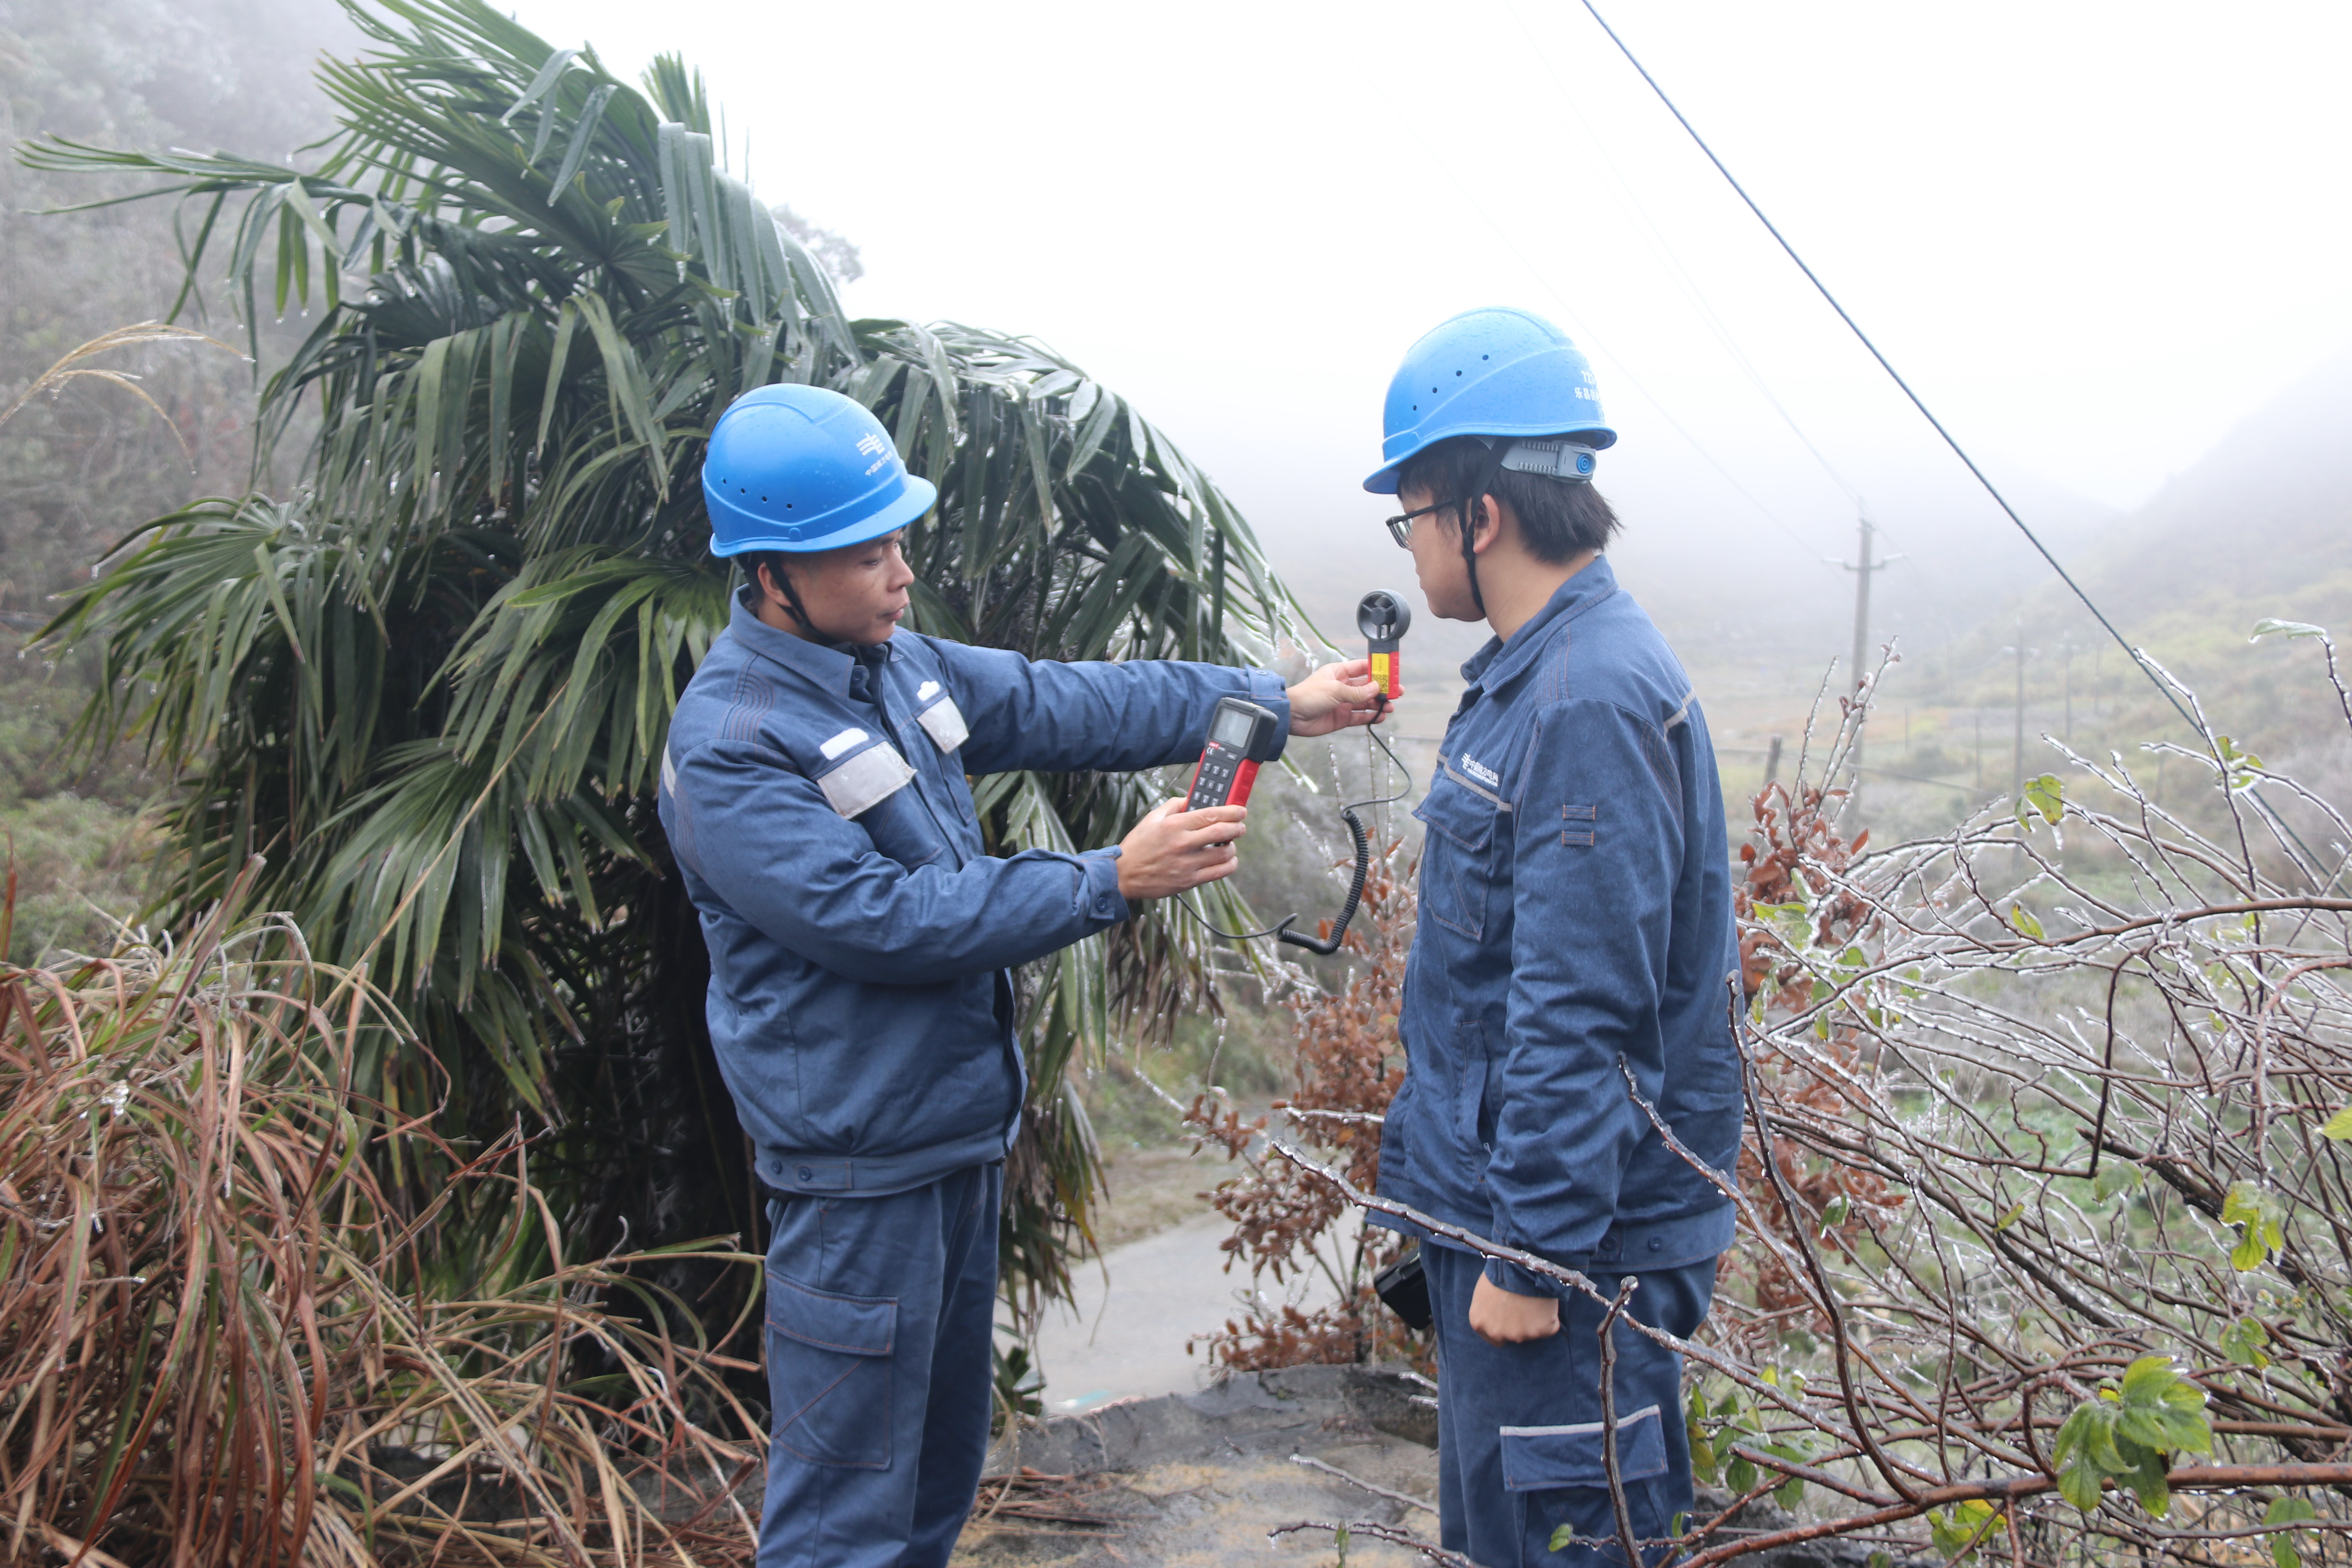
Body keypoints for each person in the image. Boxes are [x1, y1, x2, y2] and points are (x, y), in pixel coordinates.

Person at [655, 383, 1385, 1568]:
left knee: (935, 1486)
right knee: (845, 1520)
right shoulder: (735, 744)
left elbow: (1067, 701)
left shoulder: (894, 667)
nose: (902, 571)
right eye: (869, 551)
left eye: (902, 538)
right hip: (857, 1181)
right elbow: (881, 919)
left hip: (951, 1145)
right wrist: (1112, 876)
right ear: (772, 572)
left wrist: (1275, 702)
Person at [1364, 308, 1744, 1566]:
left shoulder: (1584, 700)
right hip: (1511, 1224)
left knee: (1571, 1540)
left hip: (1574, 1262)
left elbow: (1582, 1012)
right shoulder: (1533, 673)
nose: (1411, 545)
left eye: (1411, 512)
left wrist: (1532, 1259)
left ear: (1480, 513)